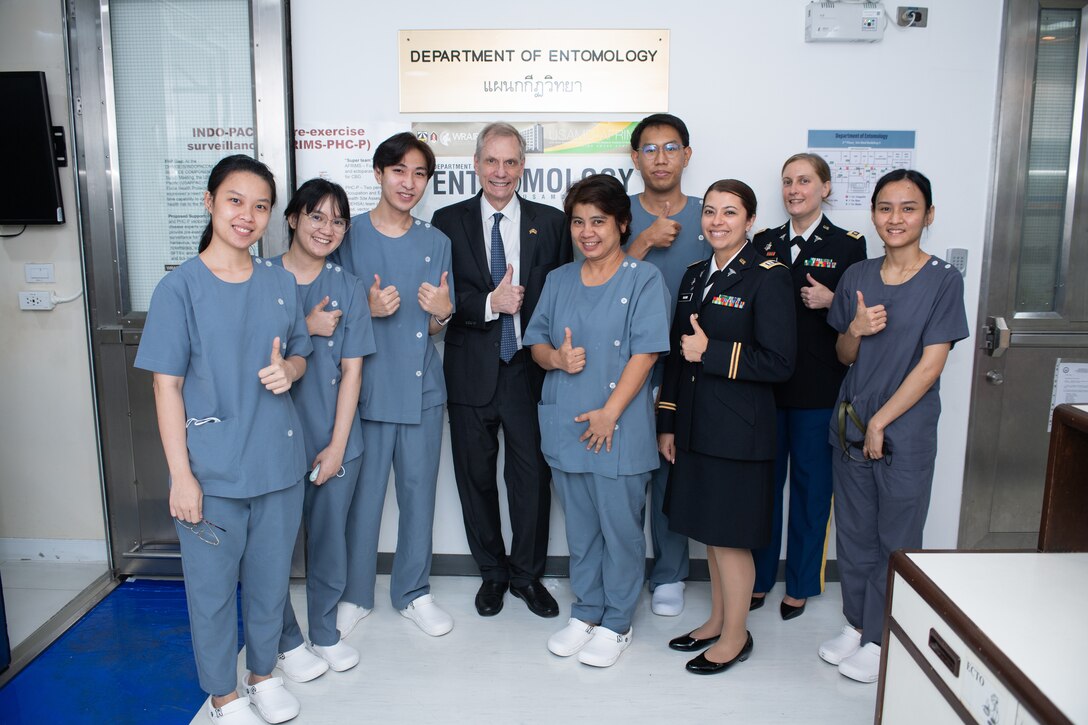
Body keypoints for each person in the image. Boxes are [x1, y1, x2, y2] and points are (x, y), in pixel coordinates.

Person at [136, 155, 311, 724]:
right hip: (212, 472)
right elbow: (167, 387)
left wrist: (293, 371)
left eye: (260, 206)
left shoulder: (279, 281)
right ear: (210, 202)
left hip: (278, 462)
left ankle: (262, 675)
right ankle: (223, 695)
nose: (248, 215)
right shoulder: (178, 289)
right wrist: (181, 476)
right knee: (211, 593)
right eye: (235, 200)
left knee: (267, 582)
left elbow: (301, 351)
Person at [817, 169, 968, 683]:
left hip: (903, 429)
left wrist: (882, 421)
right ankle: (856, 624)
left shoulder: (944, 280)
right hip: (852, 423)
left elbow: (931, 365)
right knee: (855, 533)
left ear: (928, 214)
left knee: (896, 537)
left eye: (908, 208)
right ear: (874, 214)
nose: (895, 218)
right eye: (885, 207)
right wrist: (855, 330)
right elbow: (843, 354)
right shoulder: (858, 276)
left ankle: (885, 637)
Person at [524, 174, 670, 668]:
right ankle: (585, 611)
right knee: (582, 530)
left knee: (621, 529)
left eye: (599, 222)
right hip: (566, 420)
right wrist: (557, 361)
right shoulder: (559, 279)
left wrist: (610, 413)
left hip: (620, 427)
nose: (588, 232)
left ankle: (617, 621)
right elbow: (537, 344)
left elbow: (646, 354)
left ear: (622, 225)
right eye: (579, 222)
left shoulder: (643, 279)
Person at [430, 123, 571, 619]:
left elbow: (567, 292)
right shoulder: (445, 222)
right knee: (475, 479)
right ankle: (492, 573)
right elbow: (441, 299)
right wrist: (490, 302)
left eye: (511, 162)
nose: (501, 171)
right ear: (475, 164)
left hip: (529, 373)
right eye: (492, 161)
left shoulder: (551, 224)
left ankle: (527, 577)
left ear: (523, 167)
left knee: (532, 480)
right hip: (470, 371)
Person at [657, 179, 795, 675]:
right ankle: (718, 619)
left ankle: (736, 636)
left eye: (730, 213)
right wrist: (668, 419)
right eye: (711, 211)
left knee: (732, 537)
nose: (717, 221)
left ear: (750, 220)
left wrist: (711, 353)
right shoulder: (696, 274)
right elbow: (677, 353)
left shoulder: (769, 276)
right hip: (696, 425)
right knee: (711, 534)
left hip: (739, 431)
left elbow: (780, 362)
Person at [332, 132, 457, 638]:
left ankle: (413, 591)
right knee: (361, 500)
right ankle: (354, 593)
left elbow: (431, 323)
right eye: (399, 171)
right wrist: (365, 307)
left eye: (419, 174)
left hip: (421, 387)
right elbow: (324, 317)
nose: (409, 183)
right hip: (361, 391)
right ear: (379, 173)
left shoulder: (436, 241)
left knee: (418, 495)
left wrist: (443, 315)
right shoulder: (348, 234)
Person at [750, 153, 867, 620]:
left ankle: (799, 583)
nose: (794, 189)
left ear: (826, 188)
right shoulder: (765, 242)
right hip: (767, 391)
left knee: (811, 490)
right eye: (787, 182)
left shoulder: (848, 245)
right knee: (762, 490)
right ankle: (757, 580)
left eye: (804, 181)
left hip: (820, 390)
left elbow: (859, 317)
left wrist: (831, 300)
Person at [269, 179, 376, 681]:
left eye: (337, 220)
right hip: (271, 438)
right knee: (271, 547)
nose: (326, 229)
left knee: (331, 541)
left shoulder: (348, 286)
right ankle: (287, 642)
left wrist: (337, 445)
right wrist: (304, 328)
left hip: (334, 435)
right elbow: (242, 356)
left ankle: (325, 632)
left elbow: (353, 370)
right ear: (292, 218)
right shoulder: (258, 278)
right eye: (316, 216)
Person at [623, 113, 709, 617]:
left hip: (691, 366)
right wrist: (644, 243)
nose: (660, 158)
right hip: (629, 363)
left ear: (687, 155)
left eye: (670, 148)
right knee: (627, 472)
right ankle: (626, 567)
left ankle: (671, 572)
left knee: (673, 469)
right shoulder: (620, 214)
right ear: (635, 158)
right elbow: (597, 272)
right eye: (650, 149)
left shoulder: (709, 214)